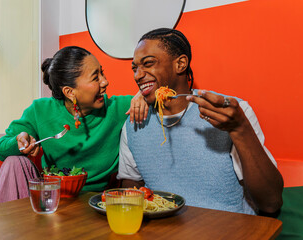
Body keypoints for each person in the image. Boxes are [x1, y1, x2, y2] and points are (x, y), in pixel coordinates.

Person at [117, 28, 283, 216]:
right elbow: (131, 184)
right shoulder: (133, 125)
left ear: (180, 64)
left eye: (148, 63)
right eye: (135, 68)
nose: (138, 75)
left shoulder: (229, 113)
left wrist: (239, 128)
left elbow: (271, 203)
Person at [0, 46, 148, 204]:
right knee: (14, 162)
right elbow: (1, 148)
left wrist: (144, 95)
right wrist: (19, 142)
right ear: (70, 92)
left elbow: (169, 93)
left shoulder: (118, 108)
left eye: (102, 72)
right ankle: (11, 225)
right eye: (96, 77)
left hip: (96, 201)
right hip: (51, 198)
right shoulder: (40, 110)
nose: (105, 81)